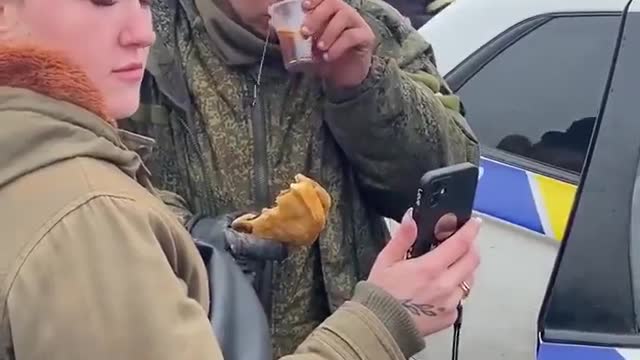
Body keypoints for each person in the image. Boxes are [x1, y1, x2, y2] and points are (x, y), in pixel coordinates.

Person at [0, 0, 482, 359]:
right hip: (183, 329)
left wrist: (363, 85)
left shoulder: (369, 29)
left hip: (347, 333)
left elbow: (446, 173)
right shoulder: (145, 34)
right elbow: (83, 174)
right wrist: (198, 238)